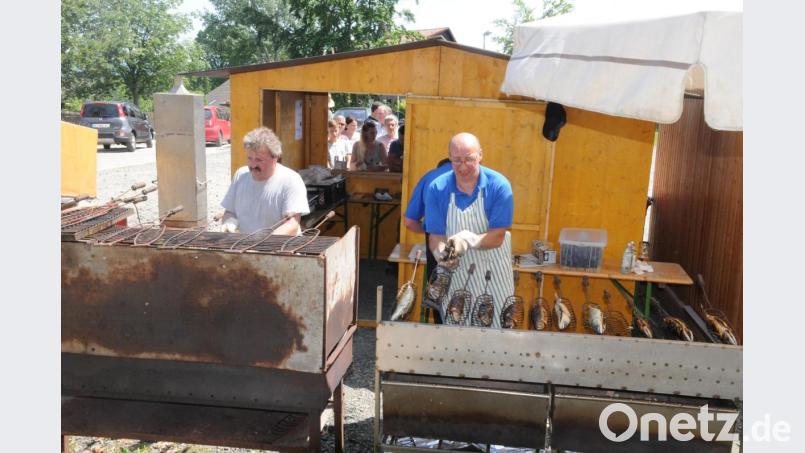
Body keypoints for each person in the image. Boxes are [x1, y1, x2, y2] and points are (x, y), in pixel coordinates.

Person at [423, 132, 514, 328]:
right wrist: (441, 253)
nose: (463, 166)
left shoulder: (499, 186)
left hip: (494, 272)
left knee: (497, 332)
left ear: (480, 155)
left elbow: (498, 236)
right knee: (456, 332)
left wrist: (468, 240)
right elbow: (435, 235)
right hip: (456, 276)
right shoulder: (437, 188)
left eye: (469, 159)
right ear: (449, 158)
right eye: (457, 160)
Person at [221, 127, 310, 235]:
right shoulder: (241, 175)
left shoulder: (291, 180)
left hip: (280, 248)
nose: (253, 165)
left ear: (275, 157)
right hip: (245, 245)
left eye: (259, 160)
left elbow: (292, 224)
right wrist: (229, 222)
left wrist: (264, 243)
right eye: (250, 158)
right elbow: (230, 211)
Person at [404, 156, 453, 323]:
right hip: (470, 245)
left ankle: (441, 334)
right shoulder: (476, 176)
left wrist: (427, 229)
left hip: (436, 242)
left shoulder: (429, 177)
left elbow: (410, 222)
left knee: (438, 292)